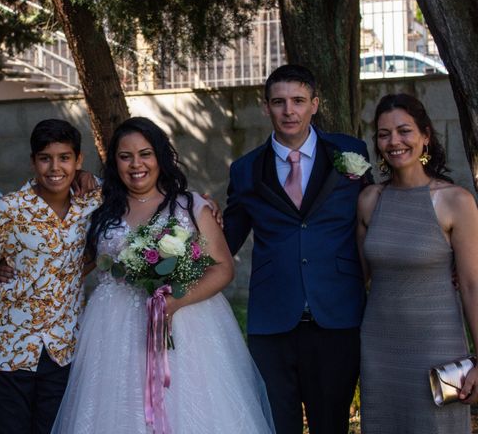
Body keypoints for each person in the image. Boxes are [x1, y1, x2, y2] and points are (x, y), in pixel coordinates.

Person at [51, 117, 275, 433]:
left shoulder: (190, 206)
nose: (136, 164)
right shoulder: (100, 208)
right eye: (125, 156)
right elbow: (76, 260)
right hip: (112, 330)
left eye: (145, 154)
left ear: (160, 157)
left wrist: (173, 303)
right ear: (114, 162)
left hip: (185, 328)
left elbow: (223, 268)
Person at [223, 64, 371, 434]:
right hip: (272, 320)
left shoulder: (350, 153)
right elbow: (226, 239)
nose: (289, 110)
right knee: (277, 425)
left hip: (337, 316)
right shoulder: (245, 169)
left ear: (315, 104)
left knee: (330, 425)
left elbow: (377, 213)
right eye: (279, 102)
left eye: (298, 101)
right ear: (266, 107)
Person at [0, 119, 101, 433]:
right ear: (33, 161)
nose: (55, 167)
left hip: (63, 347)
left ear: (79, 160)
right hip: (9, 346)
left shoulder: (93, 201)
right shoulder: (9, 208)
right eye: (45, 158)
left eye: (65, 158)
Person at [357, 93, 478, 433]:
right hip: (379, 346)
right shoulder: (369, 201)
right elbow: (358, 277)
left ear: (425, 136)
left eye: (404, 131)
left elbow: (472, 286)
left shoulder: (456, 201)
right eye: (384, 134)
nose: (394, 141)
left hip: (437, 347)